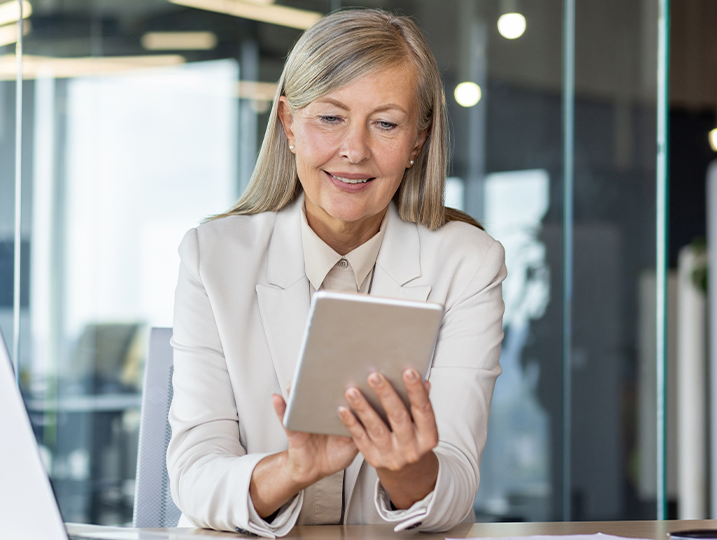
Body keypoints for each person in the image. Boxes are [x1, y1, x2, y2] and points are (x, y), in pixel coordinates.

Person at [166, 8, 505, 537]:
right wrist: (294, 469)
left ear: (418, 140)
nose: (354, 150)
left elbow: (456, 484)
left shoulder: (468, 262)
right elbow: (193, 476)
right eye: (330, 118)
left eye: (386, 124)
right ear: (288, 124)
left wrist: (403, 466)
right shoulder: (213, 257)